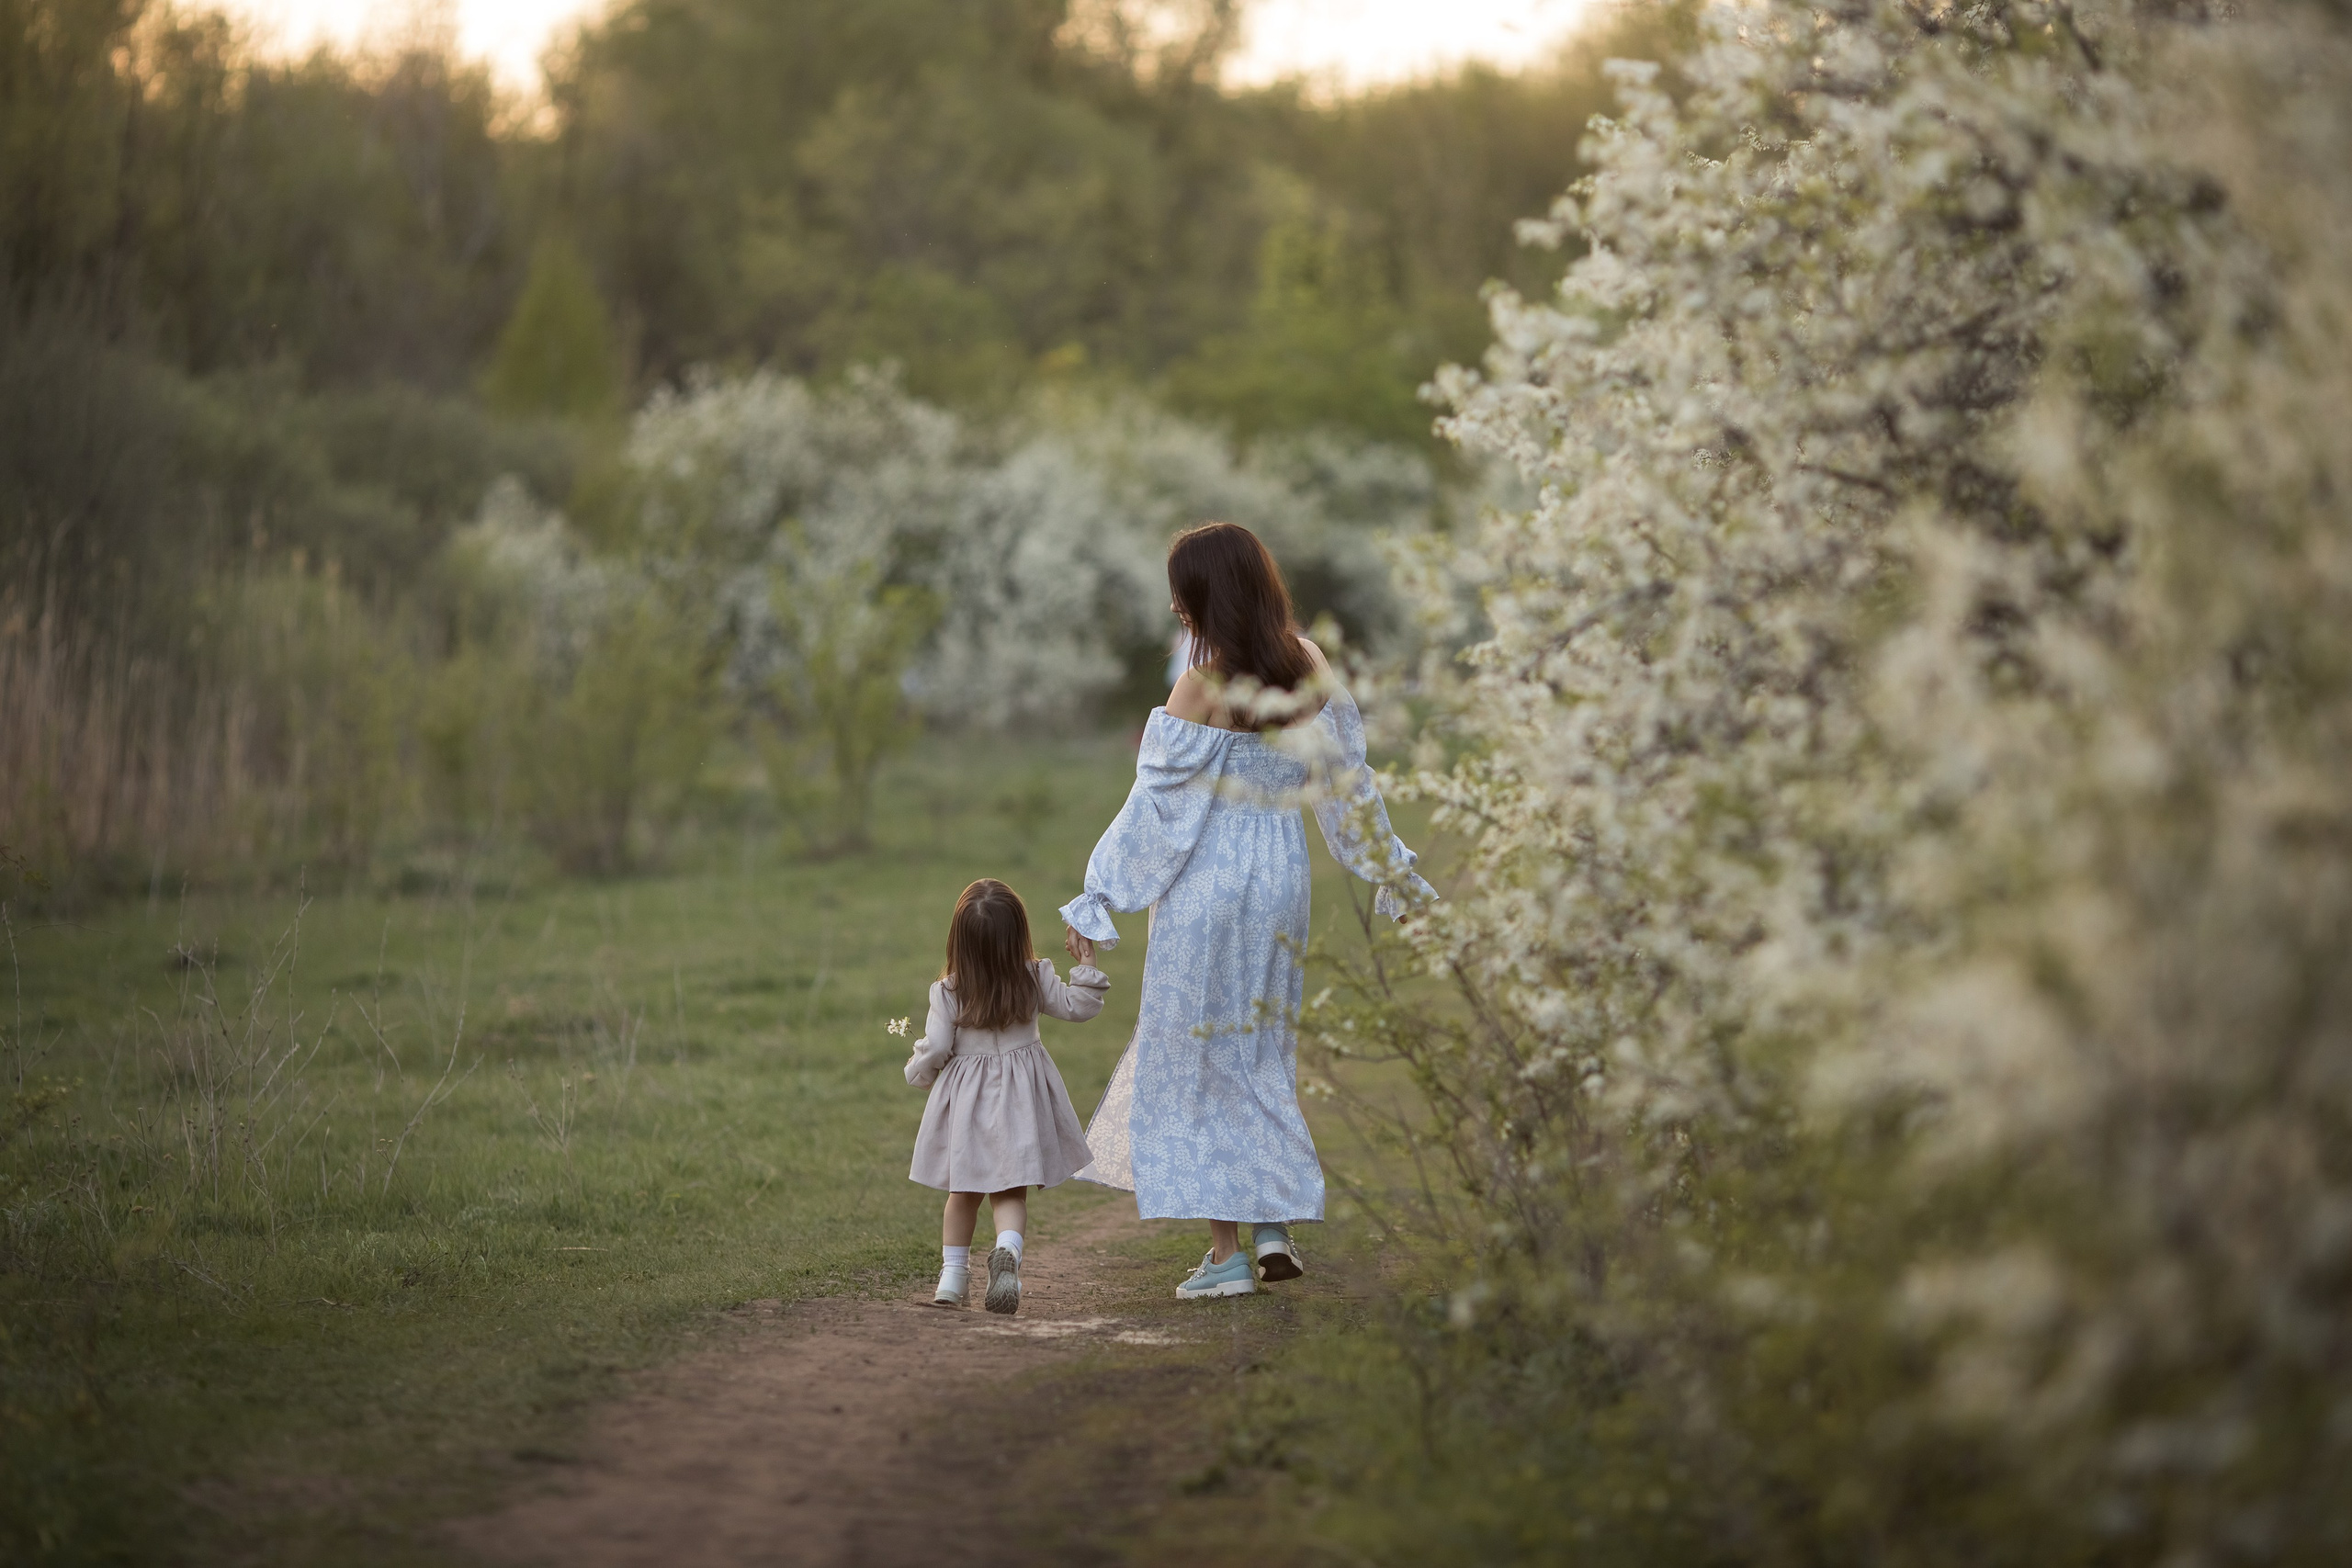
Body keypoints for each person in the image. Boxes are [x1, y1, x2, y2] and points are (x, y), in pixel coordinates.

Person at [1060, 522, 1435, 1301]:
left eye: (1182, 591)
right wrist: (1393, 874)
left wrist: (1098, 895)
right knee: (1261, 1050)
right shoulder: (1309, 666)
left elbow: (1157, 807)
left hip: (1206, 885)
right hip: (1280, 880)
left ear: (1209, 593)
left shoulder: (1202, 683)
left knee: (1201, 1058)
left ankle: (1227, 1253)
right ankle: (1272, 1228)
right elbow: (1348, 784)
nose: (1175, 605)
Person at [904, 878, 1108, 1314]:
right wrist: (1087, 961)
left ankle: (952, 1280)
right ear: (1019, 934)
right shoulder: (1034, 977)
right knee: (1010, 1193)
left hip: (969, 1104)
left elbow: (936, 1047)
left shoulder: (949, 991)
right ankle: (1008, 1253)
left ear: (959, 942)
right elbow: (1079, 1007)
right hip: (1021, 1100)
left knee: (963, 1192)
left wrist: (918, 1071)